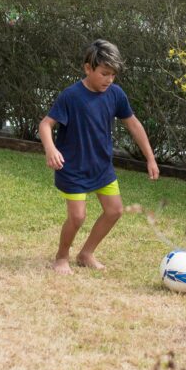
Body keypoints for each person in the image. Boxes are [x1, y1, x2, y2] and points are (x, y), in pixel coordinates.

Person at [38, 39, 160, 273]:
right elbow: (46, 124)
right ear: (87, 68)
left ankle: (86, 253)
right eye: (104, 73)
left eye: (113, 75)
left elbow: (133, 124)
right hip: (72, 168)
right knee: (77, 217)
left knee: (114, 210)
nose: (109, 80)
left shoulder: (115, 94)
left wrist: (150, 158)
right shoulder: (71, 96)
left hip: (102, 167)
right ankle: (61, 257)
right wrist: (51, 149)